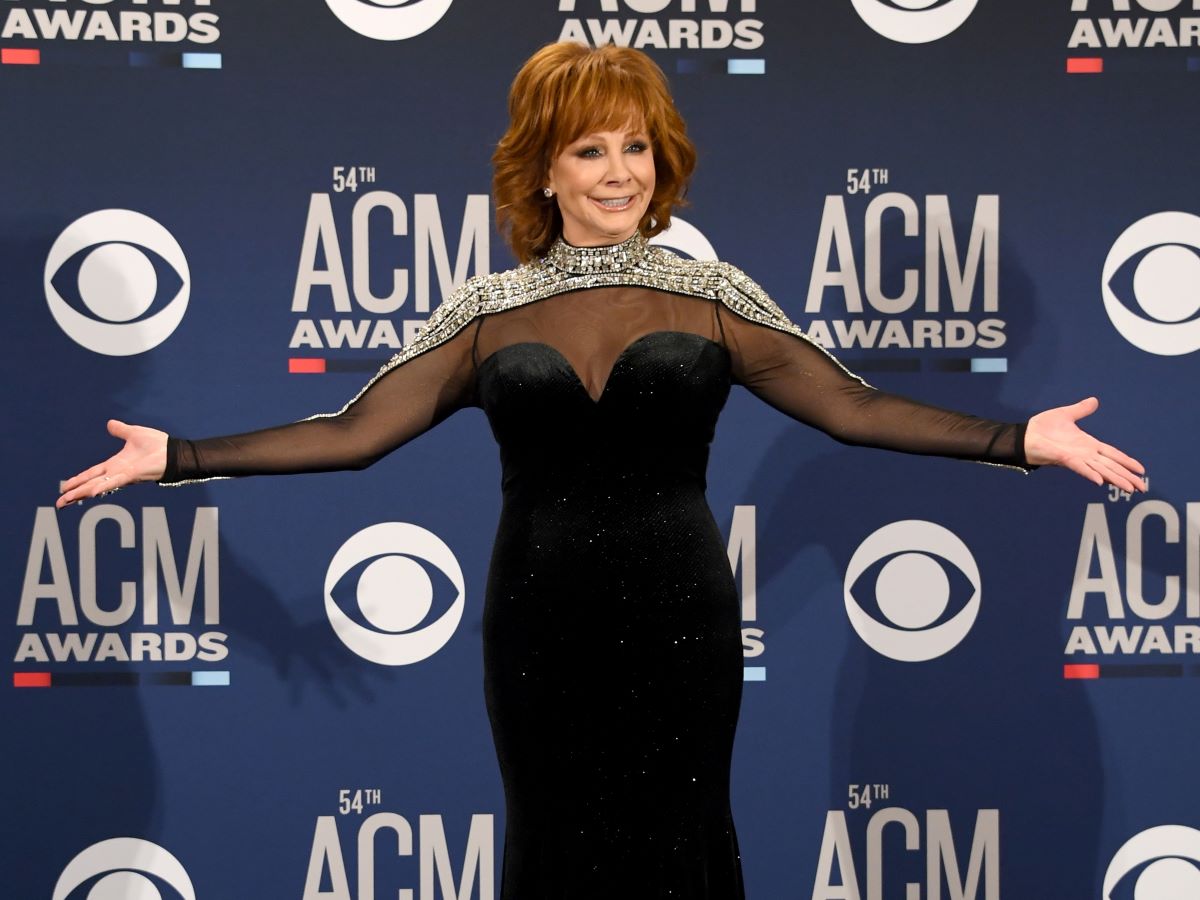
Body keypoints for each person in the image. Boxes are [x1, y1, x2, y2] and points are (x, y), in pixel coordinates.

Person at [58, 42, 1144, 899]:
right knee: (553, 835)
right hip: (539, 618)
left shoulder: (713, 294)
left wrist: (1019, 439)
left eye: (636, 147)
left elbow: (849, 404)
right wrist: (179, 458)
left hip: (681, 614)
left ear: (662, 161)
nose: (619, 172)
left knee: (677, 835)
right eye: (590, 150)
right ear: (542, 168)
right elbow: (355, 431)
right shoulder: (486, 309)